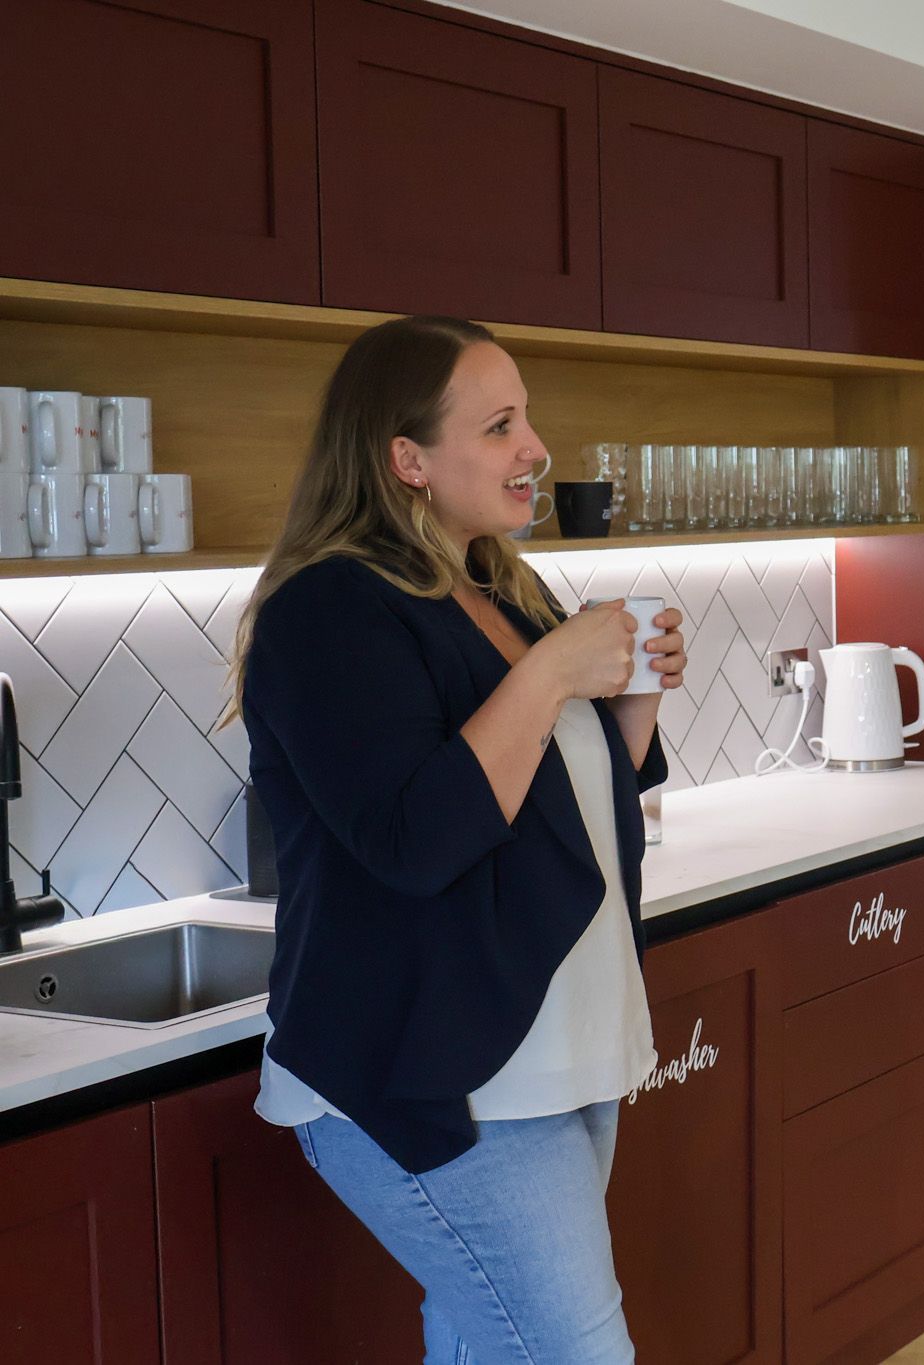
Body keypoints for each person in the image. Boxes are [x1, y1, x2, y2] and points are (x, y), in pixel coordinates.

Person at [228, 315, 688, 1363]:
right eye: (499, 424)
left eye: (526, 418)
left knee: (488, 1341)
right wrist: (551, 674)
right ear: (408, 461)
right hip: (436, 1077)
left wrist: (630, 701)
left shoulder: (499, 592)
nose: (536, 447)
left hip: (550, 1055)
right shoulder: (328, 613)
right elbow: (413, 839)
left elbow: (555, 805)